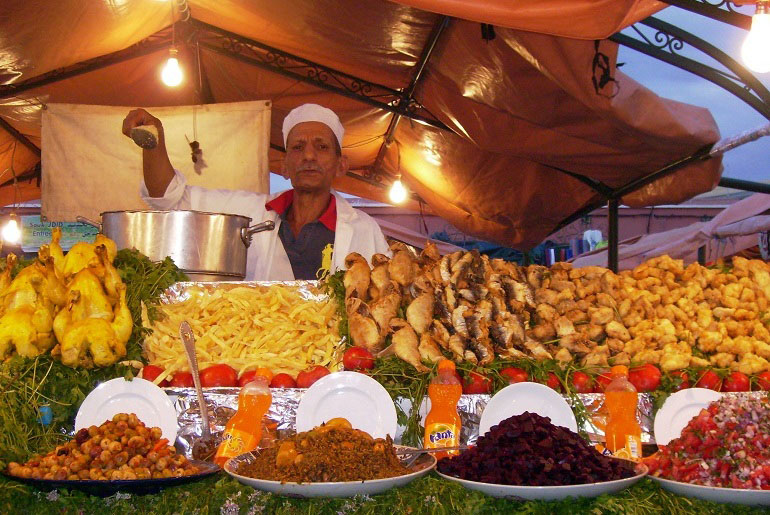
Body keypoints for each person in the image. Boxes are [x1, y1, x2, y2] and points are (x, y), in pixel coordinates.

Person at [121, 104, 390, 280]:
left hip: (335, 362)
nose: (308, 155)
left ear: (341, 165)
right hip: (262, 361)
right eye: (297, 147)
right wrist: (153, 140)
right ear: (284, 166)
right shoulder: (249, 211)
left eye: (321, 147)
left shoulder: (365, 230)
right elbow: (170, 198)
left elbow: (388, 294)